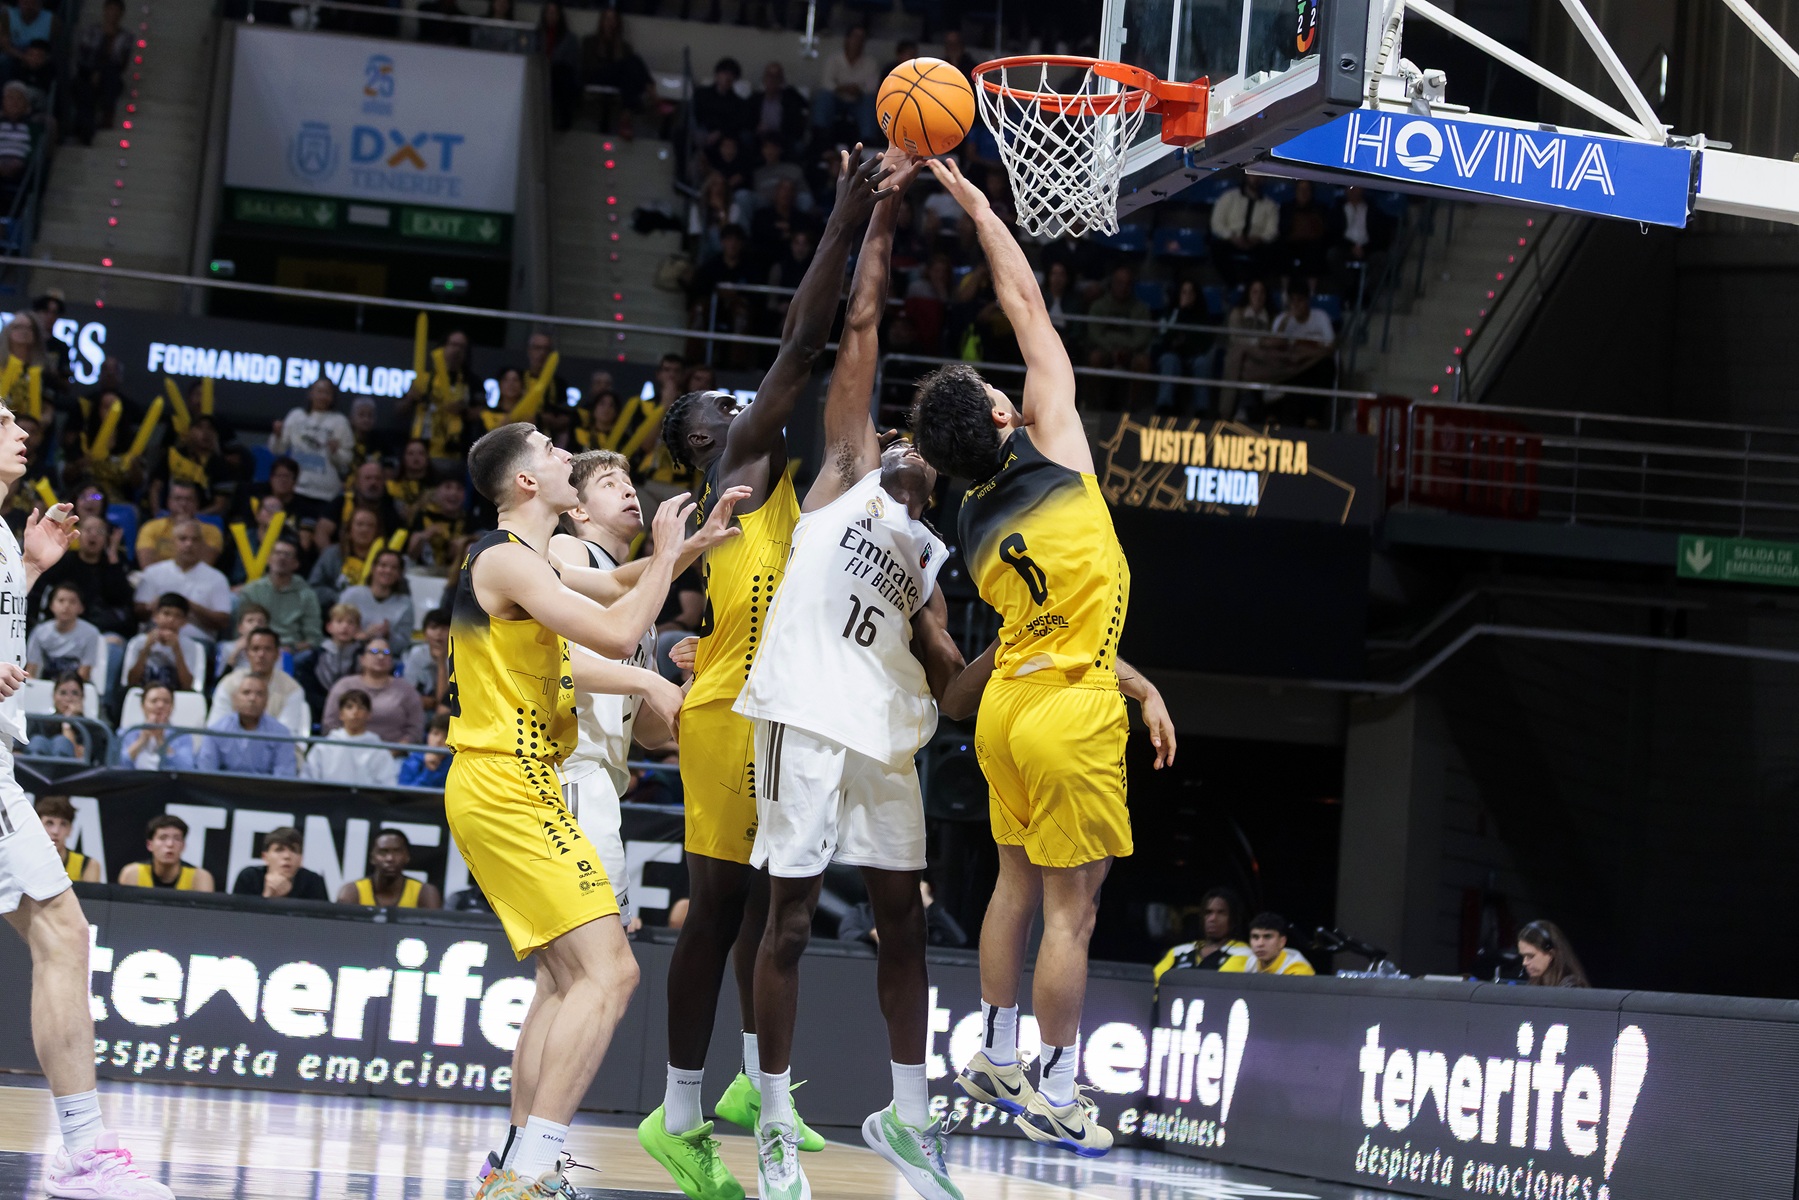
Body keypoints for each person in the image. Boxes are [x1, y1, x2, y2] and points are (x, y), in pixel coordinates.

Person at [909, 156, 1177, 1159]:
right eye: (987, 385)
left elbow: (1049, 633)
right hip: (1065, 710)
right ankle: (1059, 1088)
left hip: (1010, 710)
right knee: (1076, 907)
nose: (1000, 382)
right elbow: (1023, 299)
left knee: (1014, 886)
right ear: (998, 417)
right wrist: (977, 204)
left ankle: (995, 1045)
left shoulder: (970, 514)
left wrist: (1137, 679)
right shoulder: (1056, 445)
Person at [642, 147, 893, 1199]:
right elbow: (801, 339)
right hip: (726, 718)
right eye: (719, 402)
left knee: (763, 913)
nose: (740, 402)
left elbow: (837, 351)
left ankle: (747, 1089)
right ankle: (678, 1113)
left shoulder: (774, 492)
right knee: (718, 909)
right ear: (702, 438)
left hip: (776, 712)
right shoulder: (735, 465)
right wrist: (842, 211)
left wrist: (870, 238)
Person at [732, 154, 975, 1200]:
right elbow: (860, 328)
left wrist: (1031, 652)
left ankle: (905, 1117)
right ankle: (776, 1121)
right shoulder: (848, 467)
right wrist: (880, 207)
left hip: (886, 736)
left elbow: (954, 682)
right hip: (800, 711)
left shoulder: (929, 555)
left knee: (906, 919)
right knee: (785, 922)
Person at [448, 421, 740, 1200]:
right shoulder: (509, 559)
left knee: (578, 976)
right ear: (526, 485)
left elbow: (615, 588)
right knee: (607, 973)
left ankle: (516, 1166)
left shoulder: (530, 559)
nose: (565, 453)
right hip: (509, 779)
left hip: (521, 779)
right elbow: (618, 629)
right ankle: (532, 1167)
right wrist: (672, 552)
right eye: (548, 448)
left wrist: (693, 543)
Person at [547, 450, 686, 936]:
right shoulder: (568, 550)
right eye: (609, 483)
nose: (629, 490)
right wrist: (683, 549)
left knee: (579, 959)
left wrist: (693, 676)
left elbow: (646, 732)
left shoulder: (638, 609)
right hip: (571, 767)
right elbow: (556, 662)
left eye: (629, 482)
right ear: (578, 510)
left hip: (602, 778)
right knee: (605, 948)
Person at [269, 378, 354, 524]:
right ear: (310, 394)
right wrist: (277, 435)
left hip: (326, 495)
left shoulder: (340, 422)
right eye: (319, 391)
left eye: (327, 393)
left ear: (333, 397)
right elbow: (278, 450)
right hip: (297, 491)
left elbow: (347, 460)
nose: (322, 396)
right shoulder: (296, 416)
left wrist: (335, 452)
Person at [134, 519, 233, 635]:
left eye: (195, 540)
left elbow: (223, 621)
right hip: (154, 637)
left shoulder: (217, 578)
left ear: (202, 545)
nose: (189, 544)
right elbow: (138, 612)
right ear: (172, 542)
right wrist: (158, 605)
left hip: (197, 641)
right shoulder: (153, 572)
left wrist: (185, 604)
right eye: (183, 539)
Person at [322, 637, 422, 748]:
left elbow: (415, 729)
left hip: (394, 755)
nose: (381, 656)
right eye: (374, 652)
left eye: (386, 653)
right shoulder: (344, 686)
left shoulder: (406, 689)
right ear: (362, 659)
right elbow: (330, 723)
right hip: (347, 750)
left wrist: (394, 751)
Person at [197, 675, 298, 778]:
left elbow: (284, 777)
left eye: (259, 694)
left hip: (266, 792)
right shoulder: (215, 732)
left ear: (267, 700)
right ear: (234, 699)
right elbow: (206, 774)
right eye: (246, 692)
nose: (252, 698)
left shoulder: (281, 734)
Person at [235, 538, 323, 653]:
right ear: (268, 559)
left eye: (287, 555)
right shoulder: (251, 591)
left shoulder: (307, 595)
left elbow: (314, 639)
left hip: (292, 651)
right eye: (277, 553)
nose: (281, 558)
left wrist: (290, 649)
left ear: (296, 564)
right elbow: (239, 630)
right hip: (257, 649)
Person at [211, 627, 306, 733]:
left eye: (268, 649)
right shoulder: (229, 683)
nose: (261, 655)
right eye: (255, 649)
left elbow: (285, 734)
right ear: (247, 653)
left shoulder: (292, 689)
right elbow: (215, 727)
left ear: (277, 654)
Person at [1152, 887, 1251, 980]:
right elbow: (1153, 983)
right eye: (1208, 912)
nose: (1212, 919)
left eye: (1221, 913)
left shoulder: (1243, 953)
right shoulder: (1177, 952)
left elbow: (1216, 984)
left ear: (1233, 919)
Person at [305, 690, 399, 786]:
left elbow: (387, 785)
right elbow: (308, 781)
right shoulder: (322, 748)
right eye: (349, 707)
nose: (355, 712)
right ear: (341, 714)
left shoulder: (379, 751)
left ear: (369, 715)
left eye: (361, 707)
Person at [838, 880, 967, 949]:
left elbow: (959, 939)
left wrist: (927, 902)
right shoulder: (861, 912)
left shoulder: (921, 919)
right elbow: (846, 937)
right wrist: (871, 935)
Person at [336, 828, 442, 909]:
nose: (390, 858)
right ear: (372, 857)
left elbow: (434, 933)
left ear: (407, 856)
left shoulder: (425, 892)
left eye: (397, 851)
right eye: (383, 852)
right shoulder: (352, 891)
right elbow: (341, 931)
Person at [1208, 173, 1280, 285]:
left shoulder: (1270, 205)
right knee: (1216, 247)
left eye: (1260, 176)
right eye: (1253, 175)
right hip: (1232, 240)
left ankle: (1253, 285)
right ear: (1246, 176)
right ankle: (1232, 284)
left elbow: (1272, 231)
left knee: (1272, 252)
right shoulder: (1229, 197)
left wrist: (1258, 239)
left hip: (1256, 243)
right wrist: (1231, 237)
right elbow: (1217, 223)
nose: (1256, 179)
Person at [136, 480, 224, 566]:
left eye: (189, 499)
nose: (183, 504)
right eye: (177, 499)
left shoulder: (212, 531)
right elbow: (147, 566)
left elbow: (205, 565)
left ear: (197, 504)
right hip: (158, 579)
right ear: (168, 502)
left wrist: (190, 528)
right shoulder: (150, 527)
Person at [230, 825, 330, 901]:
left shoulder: (314, 882)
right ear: (265, 857)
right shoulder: (249, 877)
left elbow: (322, 923)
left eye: (294, 850)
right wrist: (268, 896)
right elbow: (237, 919)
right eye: (279, 850)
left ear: (301, 859)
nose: (287, 856)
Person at [118, 813, 215, 890]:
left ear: (183, 845)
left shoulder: (199, 877)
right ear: (150, 845)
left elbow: (204, 915)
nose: (170, 844)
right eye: (163, 838)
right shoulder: (133, 873)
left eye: (177, 839)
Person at [26, 583, 102, 681]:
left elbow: (85, 672)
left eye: (72, 602)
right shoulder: (39, 632)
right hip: (45, 686)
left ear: (81, 608)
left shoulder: (91, 633)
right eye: (61, 601)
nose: (66, 606)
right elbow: (31, 670)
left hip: (75, 687)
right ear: (51, 605)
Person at [338, 548, 415, 644]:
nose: (388, 571)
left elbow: (404, 644)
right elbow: (337, 630)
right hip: (351, 652)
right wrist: (363, 636)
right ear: (373, 568)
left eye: (394, 568)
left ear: (399, 574)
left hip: (385, 654)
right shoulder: (351, 595)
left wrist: (388, 635)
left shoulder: (405, 604)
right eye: (383, 565)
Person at [123, 593, 198, 692]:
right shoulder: (138, 642)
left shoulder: (189, 645)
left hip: (175, 694)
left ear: (184, 621)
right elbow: (131, 681)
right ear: (155, 616)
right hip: (143, 692)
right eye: (166, 614)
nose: (171, 619)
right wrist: (146, 648)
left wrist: (177, 650)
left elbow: (187, 685)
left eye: (177, 616)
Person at [308, 602, 364, 712]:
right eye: (339, 621)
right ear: (329, 627)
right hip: (321, 709)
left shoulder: (364, 656)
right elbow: (310, 692)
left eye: (350, 622)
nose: (345, 626)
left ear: (358, 629)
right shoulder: (313, 658)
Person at [121, 684, 192, 770]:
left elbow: (186, 768)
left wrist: (161, 741)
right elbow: (115, 764)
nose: (160, 705)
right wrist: (141, 740)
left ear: (172, 707)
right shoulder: (127, 732)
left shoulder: (182, 735)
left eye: (166, 702)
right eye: (154, 701)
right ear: (143, 706)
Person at [1220, 913, 1315, 976]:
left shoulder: (1298, 970)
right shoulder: (1252, 961)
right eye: (1255, 937)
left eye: (1267, 937)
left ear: (1282, 942)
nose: (1260, 944)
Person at [34, 795, 100, 883]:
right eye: (49, 823)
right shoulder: (25, 861)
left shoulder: (88, 864)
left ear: (70, 830)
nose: (56, 831)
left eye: (63, 824)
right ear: (37, 826)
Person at [25, 673, 88, 760]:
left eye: (75, 693)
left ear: (82, 697)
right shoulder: (38, 722)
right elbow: (16, 752)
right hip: (32, 770)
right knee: (38, 741)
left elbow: (81, 758)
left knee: (61, 742)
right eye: (63, 693)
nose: (68, 698)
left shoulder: (90, 728)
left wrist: (67, 724)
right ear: (54, 696)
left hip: (71, 772)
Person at [403, 607, 452, 714]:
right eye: (434, 628)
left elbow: (444, 701)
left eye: (444, 628)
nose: (439, 633)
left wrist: (441, 664)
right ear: (425, 633)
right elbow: (407, 694)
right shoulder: (416, 654)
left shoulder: (460, 657)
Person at [1518, 919, 1590, 988]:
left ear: (1551, 954)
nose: (1524, 963)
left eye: (1530, 956)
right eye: (1523, 956)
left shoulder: (1572, 988)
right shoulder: (1535, 982)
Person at [399, 711, 454, 788]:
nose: (438, 740)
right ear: (428, 735)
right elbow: (404, 794)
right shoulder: (412, 761)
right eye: (435, 733)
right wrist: (429, 771)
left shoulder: (455, 763)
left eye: (445, 736)